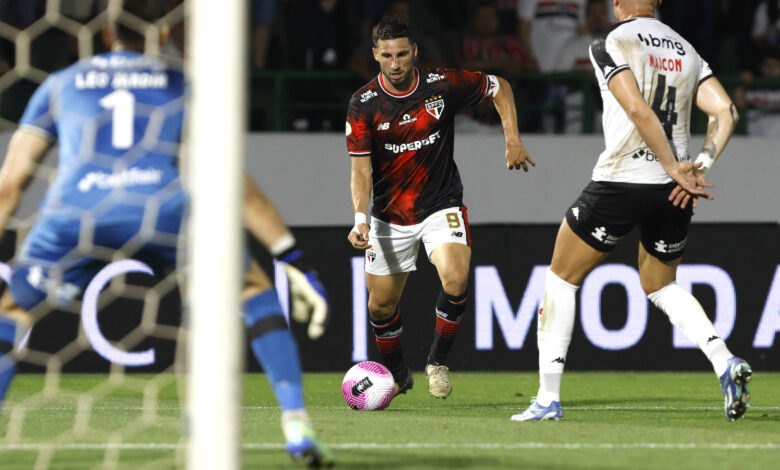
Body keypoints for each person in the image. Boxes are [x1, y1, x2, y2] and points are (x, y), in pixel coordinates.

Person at [0, 2, 332, 467]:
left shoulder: (60, 83)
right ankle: (296, 423)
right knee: (253, 286)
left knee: (13, 311)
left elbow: (10, 187)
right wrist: (291, 256)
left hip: (77, 213)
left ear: (106, 36)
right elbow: (229, 181)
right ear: (159, 36)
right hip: (162, 210)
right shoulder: (182, 84)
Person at [511, 0, 751, 423]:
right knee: (660, 285)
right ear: (657, 2)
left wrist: (672, 165)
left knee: (561, 277)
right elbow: (726, 111)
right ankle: (724, 360)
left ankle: (548, 398)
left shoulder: (612, 41)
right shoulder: (686, 49)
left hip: (623, 178)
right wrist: (697, 168)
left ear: (617, 3)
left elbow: (636, 108)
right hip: (674, 190)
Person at [346, 16, 534, 399]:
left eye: (401, 54)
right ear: (375, 56)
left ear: (415, 51)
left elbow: (501, 87)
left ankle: (436, 362)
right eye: (386, 56)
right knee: (380, 307)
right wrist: (359, 220)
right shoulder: (363, 104)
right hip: (388, 215)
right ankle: (398, 375)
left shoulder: (441, 84)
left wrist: (512, 139)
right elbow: (361, 171)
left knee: (456, 278)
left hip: (439, 203)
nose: (395, 63)